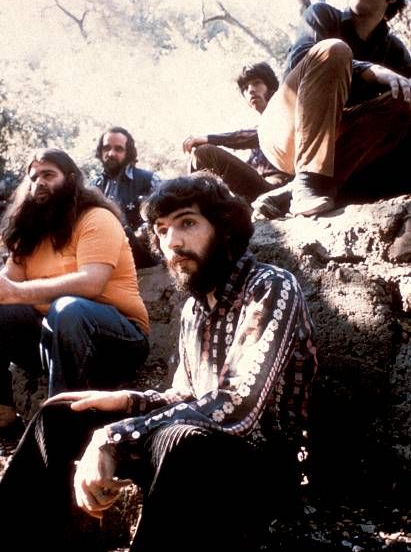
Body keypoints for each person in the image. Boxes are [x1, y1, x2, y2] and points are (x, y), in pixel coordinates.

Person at [0, 172, 317, 552]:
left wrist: (114, 436)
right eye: (162, 230)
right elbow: (185, 396)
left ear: (226, 228)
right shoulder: (194, 311)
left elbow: (236, 407)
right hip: (202, 448)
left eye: (187, 223)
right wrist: (126, 401)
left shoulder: (271, 287)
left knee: (178, 438)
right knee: (64, 412)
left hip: (265, 468)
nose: (173, 242)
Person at [254, 0, 411, 220]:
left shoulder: (394, 52)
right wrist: (368, 70)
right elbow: (299, 68)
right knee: (334, 50)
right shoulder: (322, 16)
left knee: (405, 101)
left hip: (338, 146)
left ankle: (303, 191)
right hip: (285, 130)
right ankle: (305, 184)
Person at [0, 148, 149, 435]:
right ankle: (4, 410)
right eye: (33, 177)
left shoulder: (96, 218)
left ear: (70, 179)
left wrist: (16, 291)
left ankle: (60, 429)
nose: (39, 183)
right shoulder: (28, 232)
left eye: (48, 175)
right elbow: (8, 286)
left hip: (119, 342)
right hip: (57, 344)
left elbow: (91, 283)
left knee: (68, 307)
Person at [182, 62, 291, 203]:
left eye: (257, 83)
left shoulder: (284, 113)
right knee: (198, 157)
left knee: (205, 152)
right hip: (258, 187)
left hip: (278, 188)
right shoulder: (261, 123)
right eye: (245, 88)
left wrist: (208, 138)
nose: (251, 90)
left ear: (270, 87)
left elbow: (251, 136)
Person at [93, 126, 160, 268]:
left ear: (128, 152)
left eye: (118, 149)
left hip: (142, 257)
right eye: (106, 148)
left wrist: (141, 232)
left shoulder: (149, 180)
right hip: (103, 258)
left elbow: (166, 216)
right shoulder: (93, 187)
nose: (111, 153)